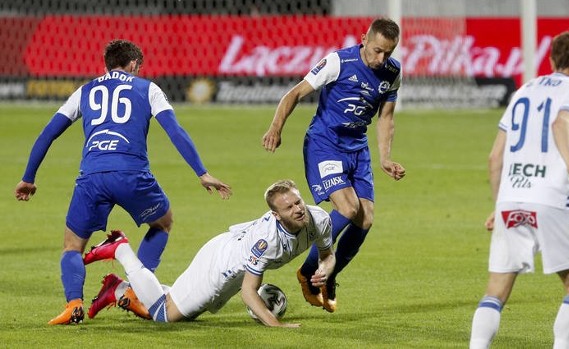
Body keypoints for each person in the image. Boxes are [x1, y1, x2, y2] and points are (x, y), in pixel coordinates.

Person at [14, 39, 232, 325]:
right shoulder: (148, 88)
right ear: (133, 65)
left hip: (92, 176)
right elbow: (174, 130)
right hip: (132, 175)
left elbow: (47, 134)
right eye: (138, 67)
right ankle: (132, 292)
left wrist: (28, 177)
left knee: (72, 246)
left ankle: (74, 305)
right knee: (163, 222)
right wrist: (201, 172)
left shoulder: (85, 91)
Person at [262, 17, 406, 313]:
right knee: (348, 208)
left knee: (365, 219)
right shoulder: (338, 62)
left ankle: (328, 277)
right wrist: (276, 127)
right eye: (377, 50)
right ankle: (308, 270)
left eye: (388, 53)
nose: (381, 59)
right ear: (364, 38)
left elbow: (386, 117)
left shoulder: (392, 72)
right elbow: (295, 93)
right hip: (324, 145)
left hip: (357, 148)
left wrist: (385, 158)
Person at [469, 29, 569, 349]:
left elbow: (494, 156)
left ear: (551, 59)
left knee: (495, 291)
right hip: (550, 198)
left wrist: (498, 206)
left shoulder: (524, 90)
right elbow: (560, 122)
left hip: (512, 199)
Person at [84, 179, 335, 327]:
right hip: (219, 266)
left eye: (298, 202)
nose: (299, 209)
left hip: (234, 264)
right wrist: (277, 326)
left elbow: (327, 254)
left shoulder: (319, 219)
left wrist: (323, 271)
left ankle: (119, 290)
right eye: (289, 207)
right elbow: (249, 292)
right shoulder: (266, 241)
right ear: (276, 215)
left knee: (182, 310)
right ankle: (121, 251)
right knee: (164, 315)